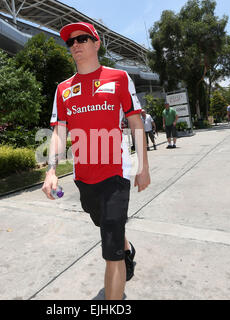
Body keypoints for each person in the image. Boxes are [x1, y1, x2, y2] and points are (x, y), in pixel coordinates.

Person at [42, 22, 151, 300]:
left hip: (116, 172)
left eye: (81, 39)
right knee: (106, 226)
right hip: (84, 177)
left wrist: (143, 167)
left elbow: (135, 121)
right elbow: (59, 131)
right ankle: (125, 248)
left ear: (96, 43)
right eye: (70, 42)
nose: (75, 45)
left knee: (110, 252)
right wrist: (51, 169)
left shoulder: (119, 78)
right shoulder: (63, 89)